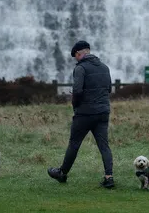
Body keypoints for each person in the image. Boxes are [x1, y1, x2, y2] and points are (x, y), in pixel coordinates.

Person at [47, 40, 115, 188]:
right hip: (103, 112)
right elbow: (108, 89)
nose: (76, 59)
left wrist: (75, 105)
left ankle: (62, 173)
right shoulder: (105, 67)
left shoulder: (80, 68)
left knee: (74, 144)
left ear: (79, 54)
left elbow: (77, 90)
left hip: (85, 113)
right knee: (104, 146)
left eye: (75, 56)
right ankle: (109, 178)